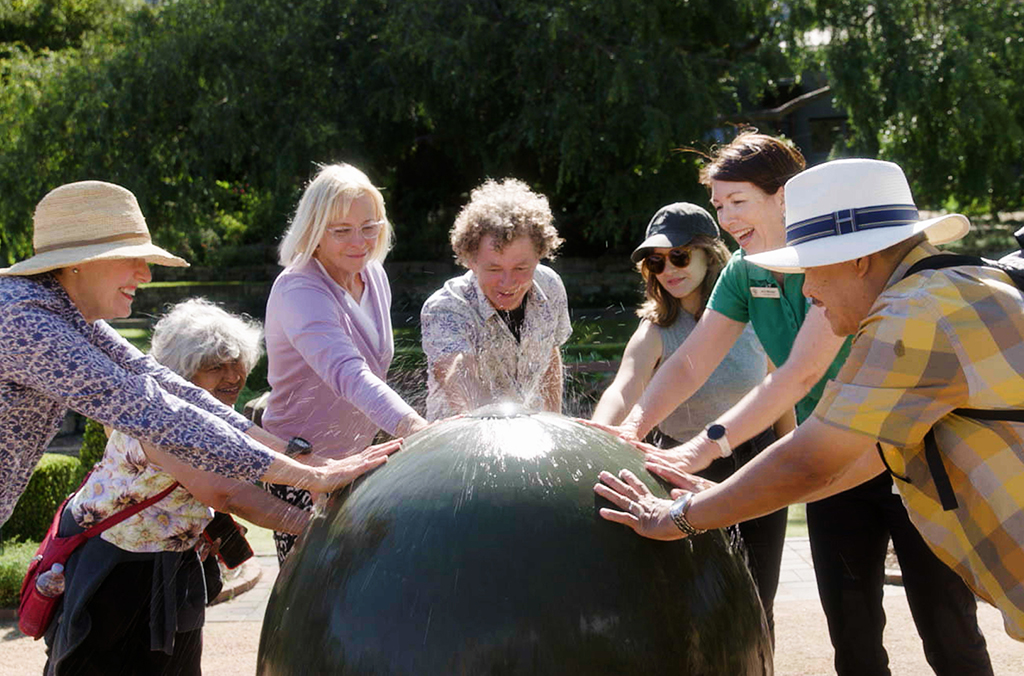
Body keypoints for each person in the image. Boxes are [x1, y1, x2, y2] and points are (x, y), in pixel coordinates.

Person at [601, 134, 992, 675]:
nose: (727, 218)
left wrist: (701, 451)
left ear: (785, 198)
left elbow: (797, 374)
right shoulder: (746, 270)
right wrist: (635, 427)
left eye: (738, 202)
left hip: (910, 460)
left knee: (949, 630)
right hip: (830, 455)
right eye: (719, 205)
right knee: (852, 633)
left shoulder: (847, 263)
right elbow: (690, 362)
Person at [0, 180, 399, 530]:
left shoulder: (65, 313)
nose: (146, 275)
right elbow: (154, 411)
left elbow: (168, 386)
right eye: (132, 259)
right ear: (78, 265)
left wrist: (302, 462)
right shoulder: (24, 321)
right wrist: (305, 475)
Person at [44, 299, 322, 675]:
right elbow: (229, 492)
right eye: (215, 367)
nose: (232, 376)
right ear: (182, 373)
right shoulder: (158, 416)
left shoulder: (212, 416)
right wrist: (319, 526)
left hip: (173, 568)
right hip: (113, 576)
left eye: (236, 363)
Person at [591, 202, 789, 637]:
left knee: (758, 597)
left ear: (709, 254)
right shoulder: (656, 328)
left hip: (753, 461)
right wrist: (601, 434)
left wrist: (788, 457)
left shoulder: (755, 315)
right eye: (656, 262)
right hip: (676, 467)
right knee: (691, 598)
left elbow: (780, 391)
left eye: (680, 256)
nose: (668, 270)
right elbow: (624, 388)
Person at [262, 163, 428, 562]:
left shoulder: (373, 275)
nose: (359, 241)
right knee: (309, 596)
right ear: (314, 231)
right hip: (302, 466)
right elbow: (349, 374)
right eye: (342, 230)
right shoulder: (299, 289)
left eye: (369, 227)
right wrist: (419, 430)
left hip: (356, 462)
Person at [420, 178, 572, 421]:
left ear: (539, 256)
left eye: (521, 268)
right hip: (459, 445)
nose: (508, 282)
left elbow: (550, 356)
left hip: (529, 436)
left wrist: (555, 423)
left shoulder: (550, 286)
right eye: (494, 269)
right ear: (471, 260)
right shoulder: (445, 308)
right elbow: (456, 373)